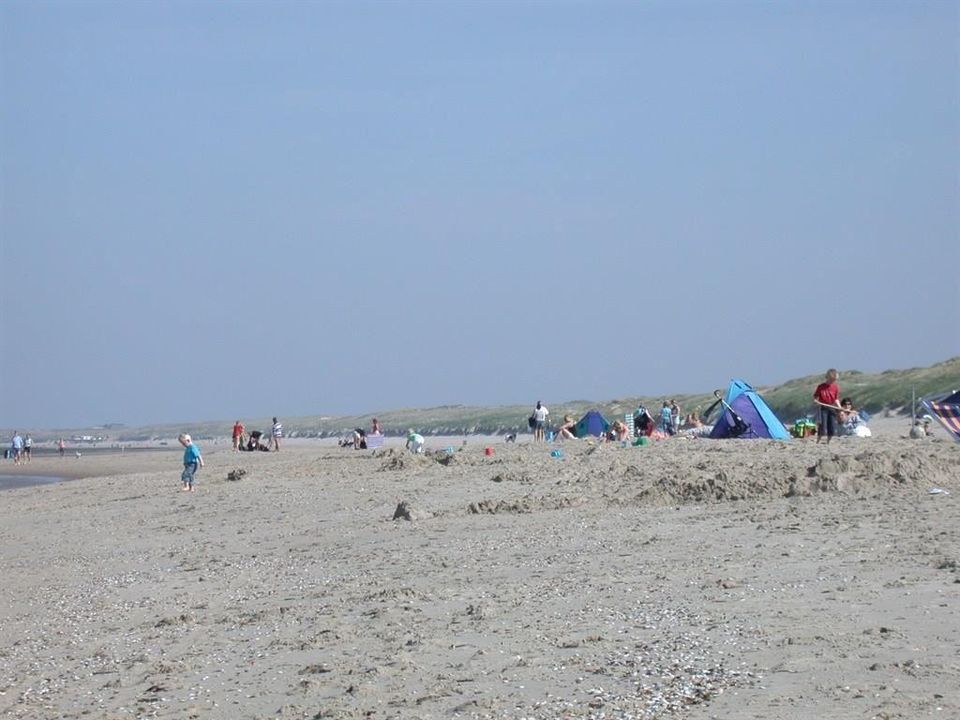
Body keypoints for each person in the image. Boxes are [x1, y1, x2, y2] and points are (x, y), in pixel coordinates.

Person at [813, 368, 841, 444]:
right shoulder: (821, 387)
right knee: (822, 425)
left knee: (831, 426)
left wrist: (839, 407)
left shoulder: (835, 387)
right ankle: (818, 441)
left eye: (834, 380)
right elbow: (816, 396)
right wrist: (816, 401)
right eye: (832, 379)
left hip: (832, 407)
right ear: (828, 377)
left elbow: (836, 399)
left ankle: (828, 442)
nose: (833, 381)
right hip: (823, 408)